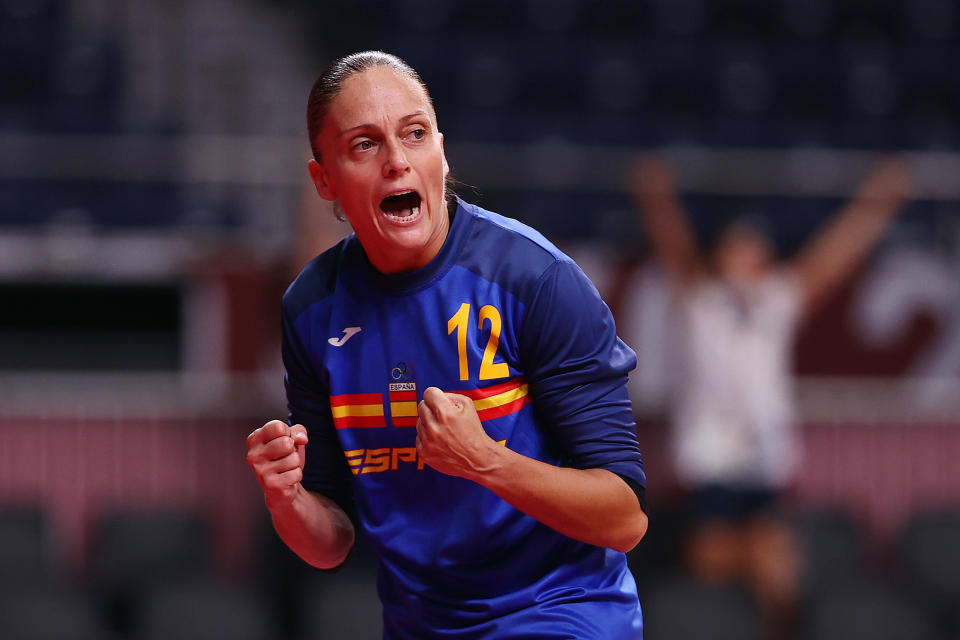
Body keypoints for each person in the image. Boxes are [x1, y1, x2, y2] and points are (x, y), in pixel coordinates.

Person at [245, 50, 649, 639]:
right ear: (323, 178)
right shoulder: (311, 308)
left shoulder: (535, 279)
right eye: (365, 144)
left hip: (562, 614)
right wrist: (286, 499)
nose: (396, 162)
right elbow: (330, 543)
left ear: (441, 149)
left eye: (414, 134)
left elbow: (625, 518)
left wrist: (486, 460)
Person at [630, 155, 911, 638]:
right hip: (708, 467)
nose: (746, 260)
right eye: (736, 251)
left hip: (764, 463)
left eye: (754, 251)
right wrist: (655, 197)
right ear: (719, 256)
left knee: (781, 576)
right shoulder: (703, 304)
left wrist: (878, 202)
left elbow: (834, 255)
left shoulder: (777, 302)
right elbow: (673, 247)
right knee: (708, 562)